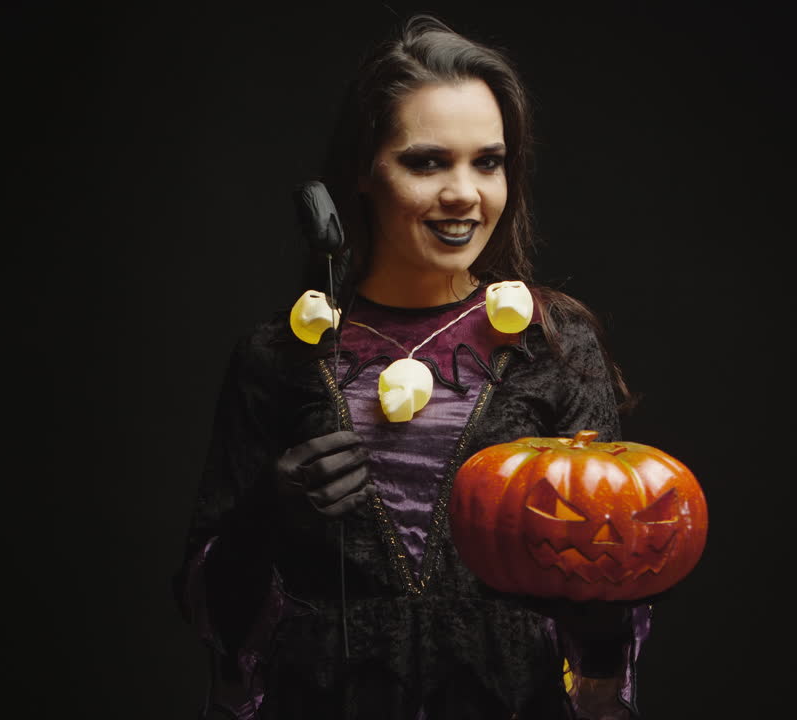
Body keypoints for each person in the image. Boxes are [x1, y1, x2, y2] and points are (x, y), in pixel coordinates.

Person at [174, 14, 654, 720]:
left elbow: (606, 621)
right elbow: (206, 606)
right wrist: (262, 520)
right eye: (428, 161)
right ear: (365, 170)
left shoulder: (555, 344)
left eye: (487, 161)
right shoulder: (279, 357)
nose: (465, 192)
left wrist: (606, 603)